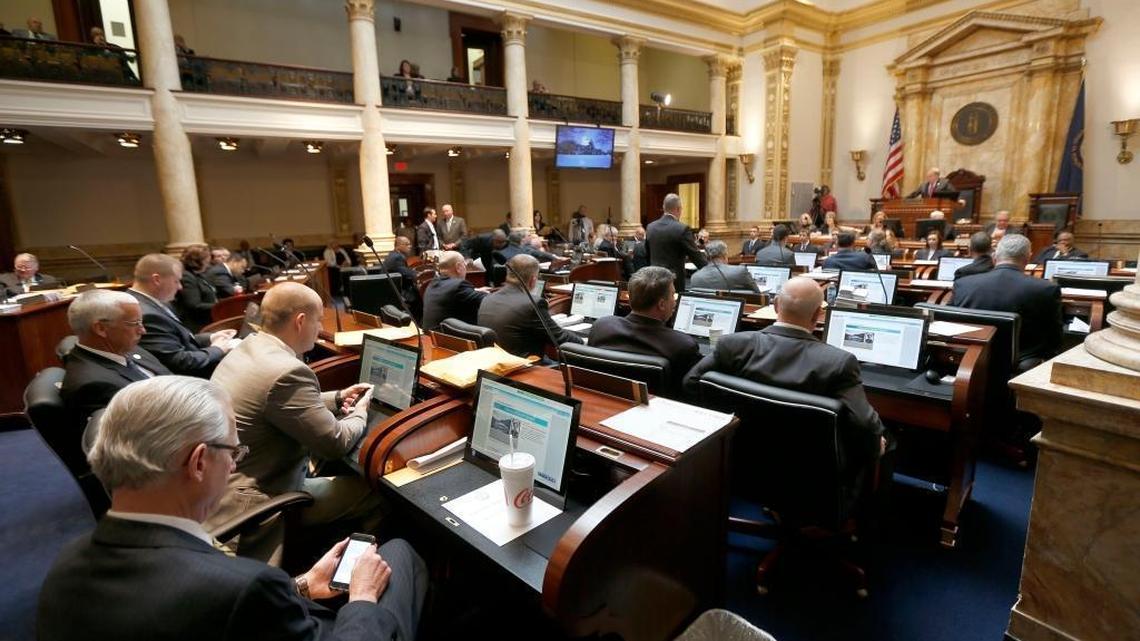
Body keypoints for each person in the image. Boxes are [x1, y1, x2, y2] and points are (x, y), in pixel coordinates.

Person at [38, 375, 426, 641]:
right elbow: (223, 604)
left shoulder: (65, 563)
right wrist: (360, 598)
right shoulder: (244, 586)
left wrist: (302, 586)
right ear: (199, 462)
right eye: (233, 450)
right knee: (399, 554)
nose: (236, 463)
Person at [206, 283, 382, 563]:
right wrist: (361, 412)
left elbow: (270, 401)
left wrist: (337, 398)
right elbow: (335, 444)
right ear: (301, 321)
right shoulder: (287, 371)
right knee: (373, 492)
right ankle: (353, 569)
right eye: (318, 320)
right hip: (257, 498)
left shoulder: (250, 346)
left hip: (223, 484)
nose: (319, 327)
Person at [683, 276, 889, 479]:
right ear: (818, 314)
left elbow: (690, 383)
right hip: (806, 478)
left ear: (775, 305)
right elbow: (866, 427)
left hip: (734, 463)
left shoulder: (731, 345)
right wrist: (876, 447)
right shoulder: (838, 362)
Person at [60, 290, 170, 437]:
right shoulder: (93, 385)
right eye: (135, 323)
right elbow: (146, 437)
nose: (143, 330)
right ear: (101, 328)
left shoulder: (124, 347)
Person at [951, 234, 1062, 369]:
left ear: (994, 257)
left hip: (970, 362)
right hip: (1020, 366)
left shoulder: (963, 284)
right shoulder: (1046, 289)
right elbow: (1055, 339)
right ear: (1028, 258)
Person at [589, 266, 700, 398]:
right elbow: (690, 393)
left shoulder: (601, 326)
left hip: (608, 402)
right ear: (662, 304)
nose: (675, 302)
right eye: (672, 295)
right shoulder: (683, 345)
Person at [129, 253, 237, 378]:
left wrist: (210, 337)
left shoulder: (154, 303)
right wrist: (218, 349)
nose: (180, 287)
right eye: (176, 281)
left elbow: (176, 339)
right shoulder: (145, 314)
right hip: (190, 381)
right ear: (156, 279)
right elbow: (179, 361)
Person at [477, 254, 583, 358]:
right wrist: (583, 341)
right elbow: (559, 338)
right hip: (522, 367)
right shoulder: (532, 304)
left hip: (493, 363)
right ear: (533, 280)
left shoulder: (487, 298)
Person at [646, 193, 707, 294]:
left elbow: (648, 254)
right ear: (678, 209)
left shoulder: (650, 227)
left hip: (654, 278)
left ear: (663, 207)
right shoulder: (682, 229)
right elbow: (696, 257)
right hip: (673, 282)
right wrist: (710, 270)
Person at [422, 250, 488, 331]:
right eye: (465, 265)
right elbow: (488, 301)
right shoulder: (459, 285)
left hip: (432, 338)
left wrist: (474, 291)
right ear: (458, 267)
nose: (466, 269)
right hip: (451, 341)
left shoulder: (433, 284)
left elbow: (452, 293)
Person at [174, 244, 219, 333]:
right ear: (198, 260)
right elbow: (193, 305)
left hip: (208, 320)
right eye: (207, 258)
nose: (209, 261)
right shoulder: (187, 277)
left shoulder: (199, 275)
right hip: (197, 325)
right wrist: (219, 306)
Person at [690, 241, 759, 292]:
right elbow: (758, 295)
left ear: (706, 256)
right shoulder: (740, 271)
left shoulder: (695, 277)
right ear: (724, 255)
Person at [384, 236, 419, 307]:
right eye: (407, 244)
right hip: (398, 292)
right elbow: (408, 275)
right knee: (420, 296)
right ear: (399, 246)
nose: (410, 246)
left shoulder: (393, 254)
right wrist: (420, 274)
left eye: (410, 244)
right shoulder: (397, 257)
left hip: (391, 288)